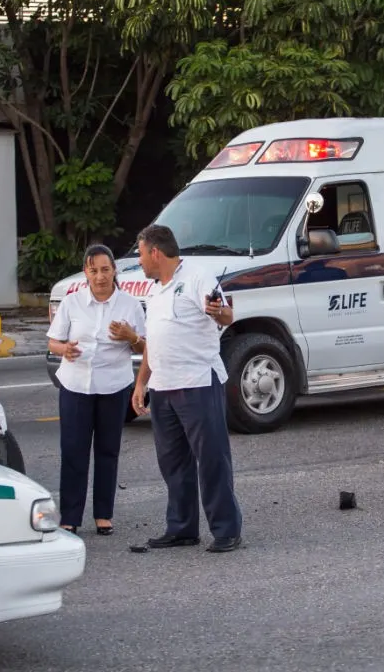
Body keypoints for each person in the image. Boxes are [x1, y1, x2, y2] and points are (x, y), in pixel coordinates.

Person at [132, 224, 242, 553]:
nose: (139, 261)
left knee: (211, 459)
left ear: (155, 252)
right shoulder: (155, 291)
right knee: (173, 462)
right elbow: (153, 341)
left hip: (197, 383)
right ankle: (181, 528)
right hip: (164, 387)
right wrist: (142, 383)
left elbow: (225, 315)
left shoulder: (197, 277)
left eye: (140, 254)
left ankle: (226, 530)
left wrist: (219, 311)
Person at [47, 244, 145, 534]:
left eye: (105, 269)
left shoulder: (129, 304)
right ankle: (70, 516)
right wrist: (64, 348)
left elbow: (144, 346)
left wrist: (130, 336)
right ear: (85, 273)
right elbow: (53, 341)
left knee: (107, 450)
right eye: (93, 270)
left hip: (113, 385)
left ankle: (104, 514)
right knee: (74, 451)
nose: (100, 276)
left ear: (114, 270)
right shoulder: (72, 303)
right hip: (75, 385)